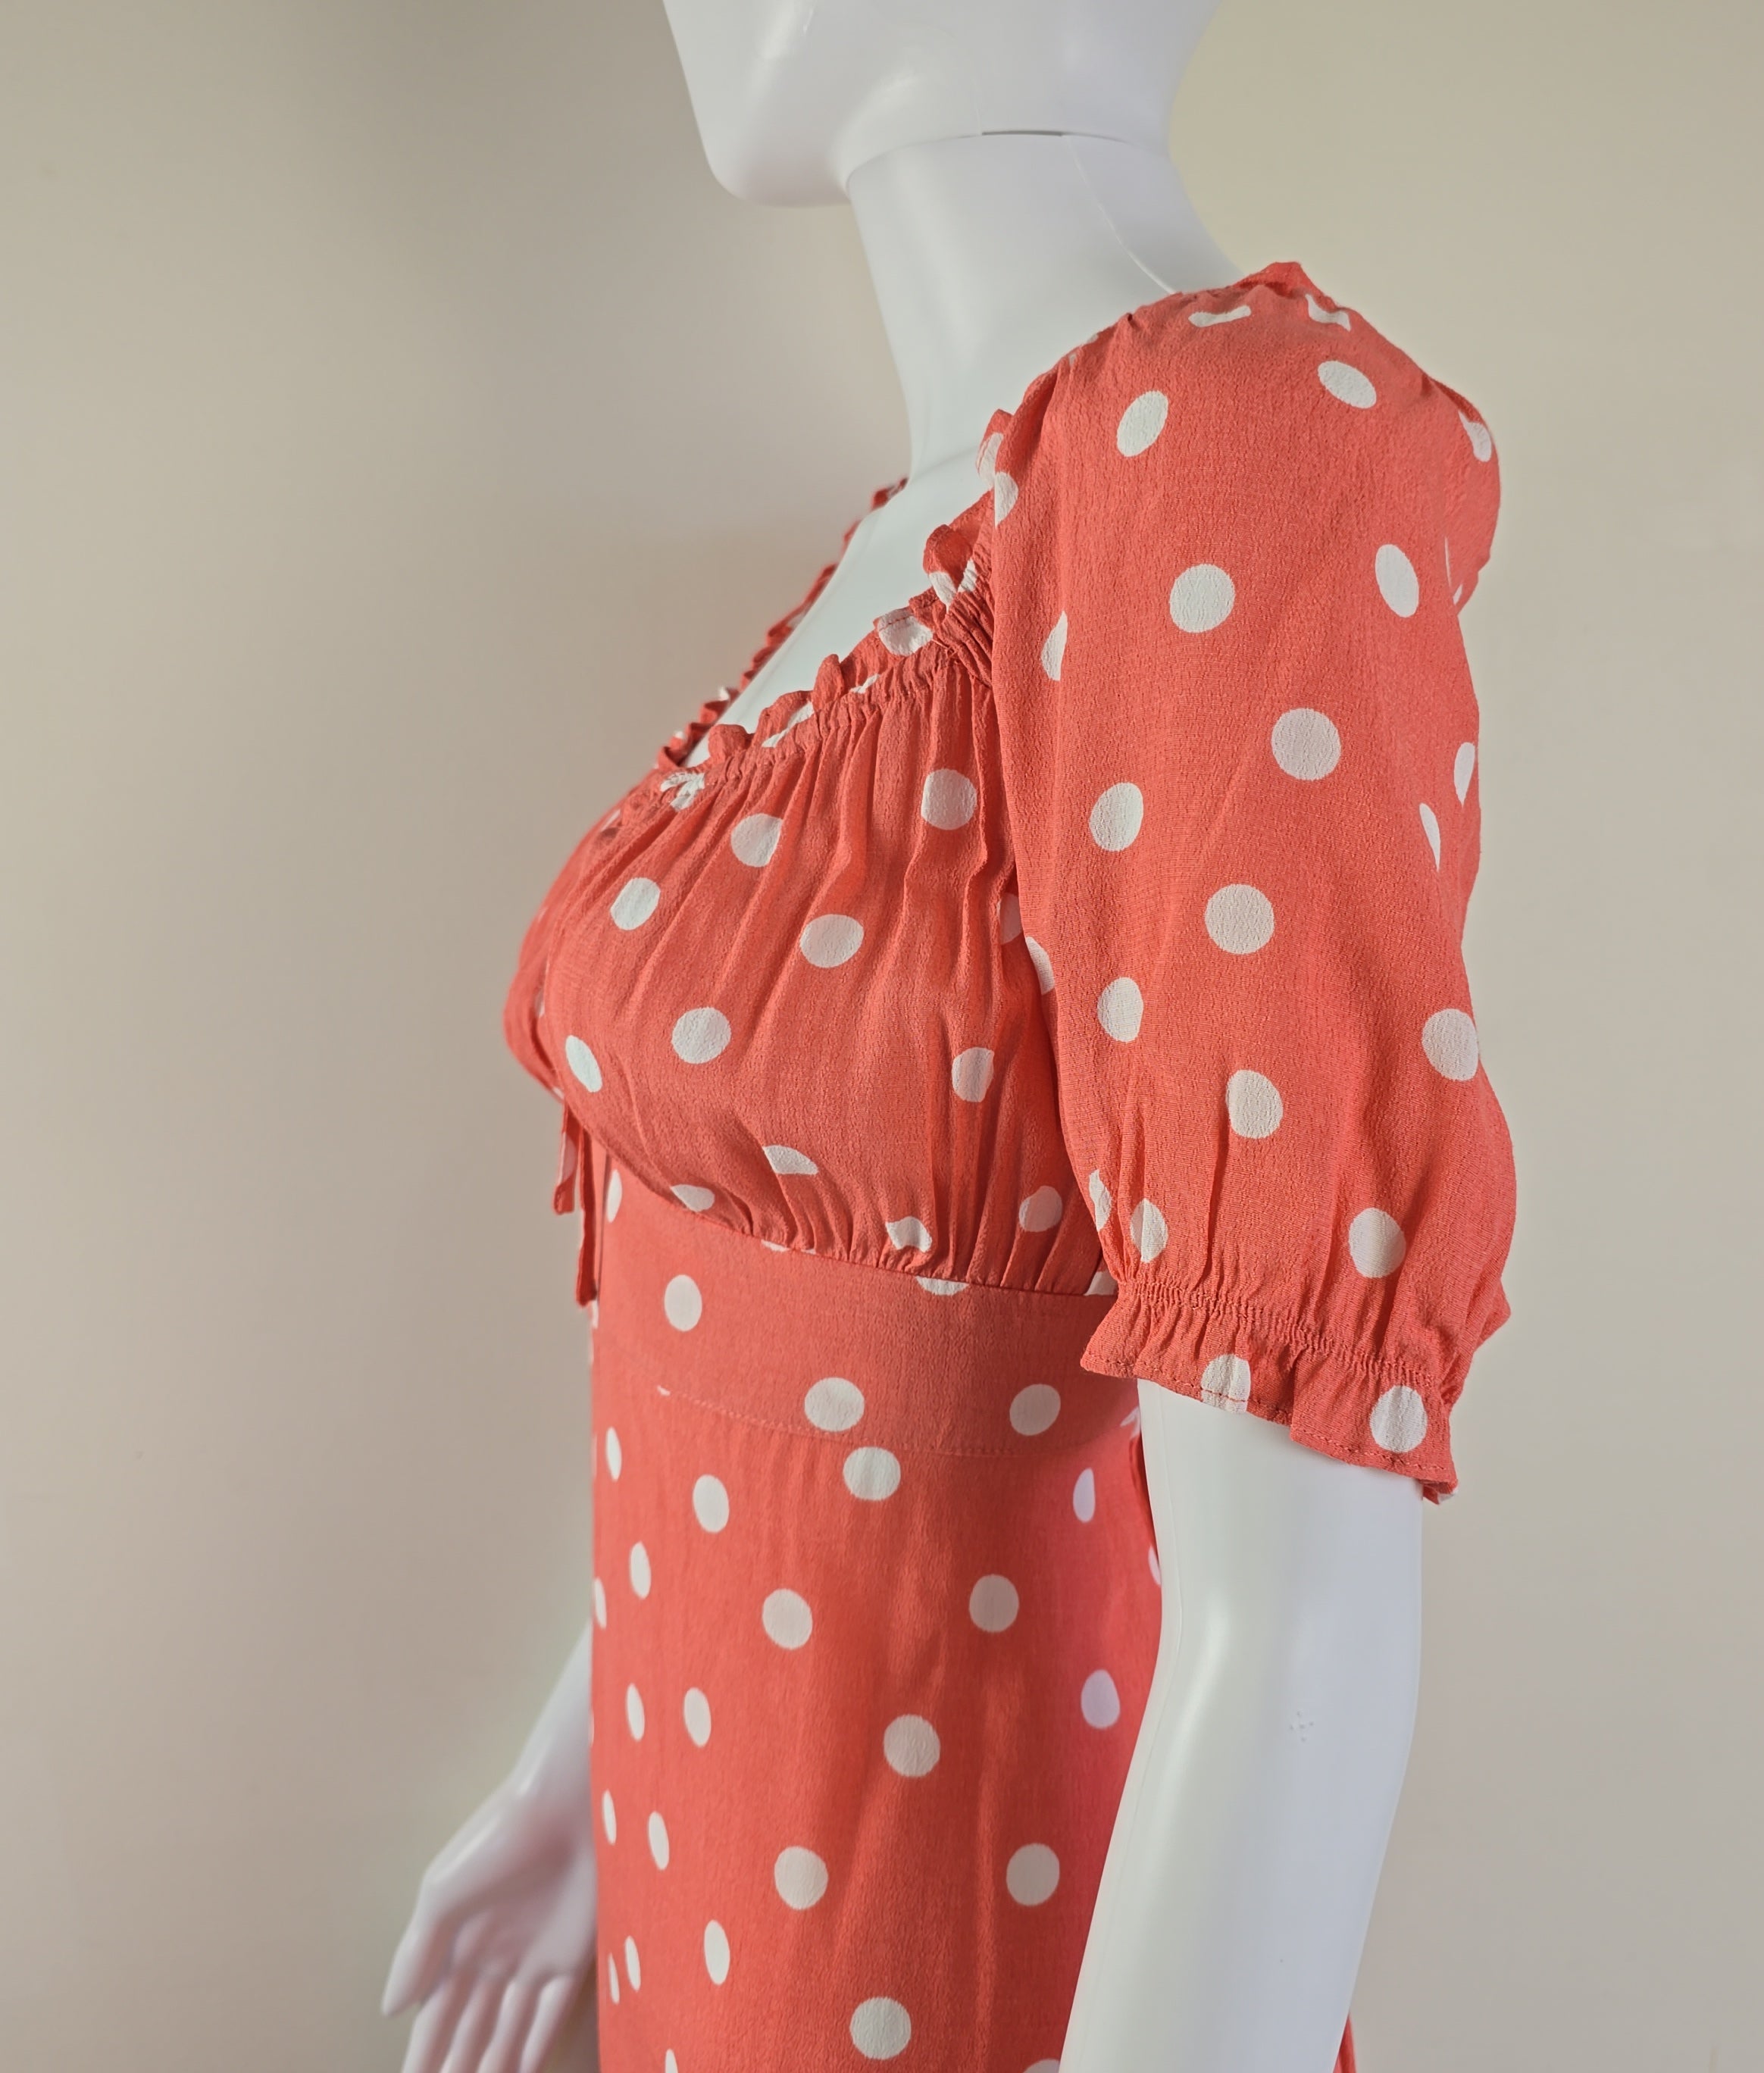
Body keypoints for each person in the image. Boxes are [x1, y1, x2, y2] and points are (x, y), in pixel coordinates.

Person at [383, 4, 1514, 2068]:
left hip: (971, 1935)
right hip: (718, 1846)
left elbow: (1301, 1596)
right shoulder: (932, 530)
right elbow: (804, 1347)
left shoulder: (1238, 456)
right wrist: (592, 1758)